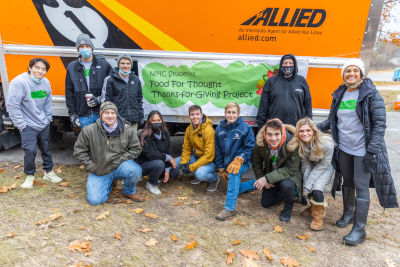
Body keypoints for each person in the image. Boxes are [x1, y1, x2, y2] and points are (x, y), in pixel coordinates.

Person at [318, 58, 398, 245]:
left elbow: (379, 125)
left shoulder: (370, 94)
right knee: (348, 182)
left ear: (361, 74)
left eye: (355, 71)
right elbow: (333, 121)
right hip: (345, 148)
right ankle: (348, 214)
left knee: (361, 187)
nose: (351, 74)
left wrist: (372, 150)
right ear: (343, 75)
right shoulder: (340, 94)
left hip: (363, 150)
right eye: (348, 71)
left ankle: (360, 230)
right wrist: (313, 128)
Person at [6, 58, 62, 188]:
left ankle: (48, 172)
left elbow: (48, 101)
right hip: (27, 124)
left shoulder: (45, 82)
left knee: (46, 148)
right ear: (30, 68)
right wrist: (21, 124)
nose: (40, 71)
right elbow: (12, 105)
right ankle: (29, 176)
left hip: (43, 122)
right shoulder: (19, 82)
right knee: (30, 151)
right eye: (37, 67)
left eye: (44, 69)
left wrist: (48, 118)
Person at [73, 101, 144, 205]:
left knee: (136, 170)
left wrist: (120, 160)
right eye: (106, 113)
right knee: (95, 201)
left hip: (119, 165)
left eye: (113, 113)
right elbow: (79, 151)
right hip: (99, 169)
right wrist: (91, 166)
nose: (110, 116)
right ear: (101, 114)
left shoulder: (127, 130)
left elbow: (136, 149)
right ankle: (109, 183)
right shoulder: (89, 130)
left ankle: (129, 191)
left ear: (116, 114)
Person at [252, 118, 302, 222]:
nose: (273, 138)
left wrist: (267, 178)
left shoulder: (293, 143)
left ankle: (289, 205)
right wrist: (261, 178)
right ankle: (287, 194)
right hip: (272, 175)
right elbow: (256, 161)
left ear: (282, 132)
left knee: (286, 185)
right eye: (269, 134)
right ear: (265, 133)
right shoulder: (261, 143)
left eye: (276, 134)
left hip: (289, 176)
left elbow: (290, 170)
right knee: (266, 203)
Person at [290, 117, 334, 230]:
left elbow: (324, 165)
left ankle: (318, 218)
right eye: (301, 131)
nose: (305, 134)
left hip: (325, 166)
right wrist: (306, 183)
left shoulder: (326, 144)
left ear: (313, 131)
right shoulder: (301, 144)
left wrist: (309, 184)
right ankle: (313, 207)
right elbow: (305, 164)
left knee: (316, 188)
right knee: (307, 186)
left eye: (308, 130)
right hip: (312, 165)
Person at [214, 103, 256, 220]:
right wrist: (221, 167)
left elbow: (250, 147)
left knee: (233, 173)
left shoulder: (245, 128)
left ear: (238, 114)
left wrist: (240, 158)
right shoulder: (219, 129)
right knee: (233, 187)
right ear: (225, 113)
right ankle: (255, 183)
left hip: (244, 162)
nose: (231, 115)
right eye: (229, 112)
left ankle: (229, 209)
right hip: (227, 164)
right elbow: (218, 150)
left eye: (234, 113)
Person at [65, 33, 112, 129]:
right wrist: (72, 114)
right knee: (87, 142)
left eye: (87, 46)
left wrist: (99, 99)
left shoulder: (104, 64)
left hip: (101, 112)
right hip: (83, 115)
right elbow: (69, 92)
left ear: (92, 48)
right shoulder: (72, 67)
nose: (85, 48)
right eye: (82, 46)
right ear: (78, 49)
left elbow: (111, 88)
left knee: (102, 141)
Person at [256, 54, 312, 127]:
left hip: (296, 127)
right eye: (285, 63)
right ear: (281, 65)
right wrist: (261, 125)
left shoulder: (301, 81)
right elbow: (263, 104)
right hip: (275, 127)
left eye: (291, 63)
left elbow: (308, 104)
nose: (288, 65)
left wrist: (309, 122)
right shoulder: (271, 81)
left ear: (295, 65)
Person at [175, 105, 218, 192]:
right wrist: (184, 163)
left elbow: (209, 156)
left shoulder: (208, 130)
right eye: (192, 114)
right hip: (198, 157)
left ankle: (214, 179)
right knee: (175, 162)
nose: (195, 117)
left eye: (197, 114)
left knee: (200, 174)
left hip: (211, 161)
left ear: (201, 115)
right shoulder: (189, 129)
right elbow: (186, 148)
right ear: (189, 116)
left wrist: (191, 167)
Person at [136, 111, 180, 195]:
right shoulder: (144, 135)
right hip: (144, 165)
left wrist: (167, 169)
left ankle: (157, 176)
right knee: (159, 164)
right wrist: (168, 157)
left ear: (162, 121)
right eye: (154, 121)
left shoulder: (165, 133)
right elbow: (151, 155)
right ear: (149, 121)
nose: (157, 122)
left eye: (159, 120)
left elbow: (168, 151)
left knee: (175, 171)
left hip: (159, 161)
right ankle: (151, 184)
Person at [102, 54, 143, 130]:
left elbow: (139, 100)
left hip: (133, 121)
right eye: (122, 63)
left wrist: (140, 116)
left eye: (128, 63)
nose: (125, 66)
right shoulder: (111, 80)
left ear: (131, 65)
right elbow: (107, 102)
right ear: (118, 65)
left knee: (132, 142)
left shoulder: (136, 80)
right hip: (117, 121)